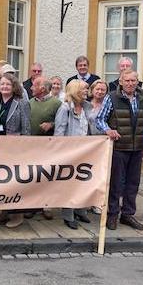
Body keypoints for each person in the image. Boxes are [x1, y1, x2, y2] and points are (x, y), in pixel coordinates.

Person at [96, 70, 143, 231]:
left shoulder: (142, 97)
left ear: (137, 82)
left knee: (133, 183)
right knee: (116, 183)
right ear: (120, 81)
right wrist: (108, 130)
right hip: (119, 146)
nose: (130, 83)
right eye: (127, 80)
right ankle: (112, 215)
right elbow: (100, 119)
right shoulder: (112, 97)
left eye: (133, 80)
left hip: (137, 146)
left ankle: (128, 214)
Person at [0, 72, 31, 228]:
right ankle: (3, 212)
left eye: (8, 84)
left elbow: (26, 127)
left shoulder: (21, 102)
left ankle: (17, 214)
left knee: (14, 181)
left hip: (14, 148)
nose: (4, 86)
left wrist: (24, 148)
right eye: (2, 84)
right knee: (0, 181)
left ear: (14, 87)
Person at [54, 80, 92, 229]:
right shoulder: (65, 108)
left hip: (85, 152)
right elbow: (59, 132)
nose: (86, 91)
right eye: (84, 89)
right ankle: (68, 215)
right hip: (70, 153)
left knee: (83, 181)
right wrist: (62, 152)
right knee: (69, 184)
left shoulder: (86, 107)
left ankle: (81, 210)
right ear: (75, 90)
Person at [28, 76, 61, 220]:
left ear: (42, 88)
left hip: (48, 147)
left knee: (47, 176)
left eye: (34, 86)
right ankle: (33, 205)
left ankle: (47, 205)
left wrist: (51, 124)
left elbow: (62, 122)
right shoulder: (29, 103)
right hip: (32, 147)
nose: (31, 88)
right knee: (33, 177)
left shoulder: (56, 103)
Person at [87, 79, 109, 215]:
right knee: (89, 173)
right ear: (92, 90)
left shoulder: (107, 106)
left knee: (102, 174)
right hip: (88, 143)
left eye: (103, 90)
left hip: (103, 142)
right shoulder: (87, 105)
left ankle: (99, 203)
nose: (100, 92)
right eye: (98, 89)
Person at [108, 57, 143, 125]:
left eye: (127, 66)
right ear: (118, 68)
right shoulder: (111, 85)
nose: (125, 68)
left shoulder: (141, 85)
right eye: (122, 66)